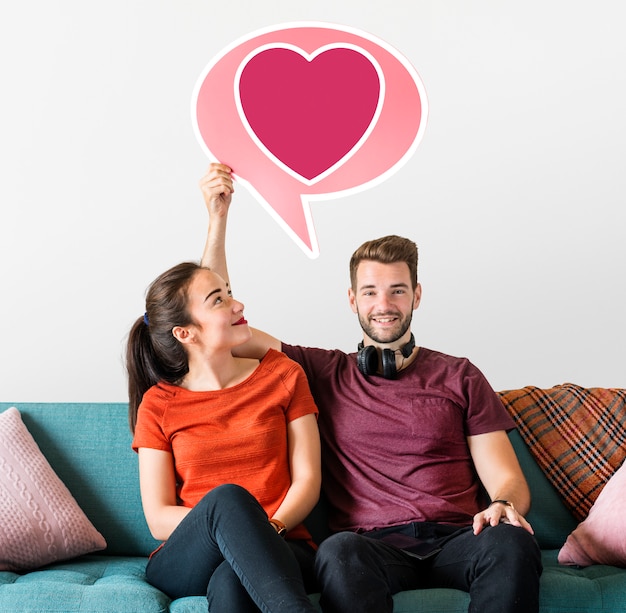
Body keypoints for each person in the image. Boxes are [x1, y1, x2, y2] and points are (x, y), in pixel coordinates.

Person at [200, 163, 543, 613]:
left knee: (513, 542)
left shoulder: (460, 375)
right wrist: (218, 219)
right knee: (338, 551)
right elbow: (218, 324)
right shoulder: (320, 371)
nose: (384, 305)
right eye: (370, 292)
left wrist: (503, 504)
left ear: (417, 296)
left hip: (461, 537)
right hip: (368, 547)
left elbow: (507, 478)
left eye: (398, 291)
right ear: (351, 299)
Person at [125, 173, 321, 613]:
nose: (238, 305)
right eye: (219, 300)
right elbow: (158, 519)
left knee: (234, 580)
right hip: (187, 555)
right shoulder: (159, 404)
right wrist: (233, 524)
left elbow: (307, 479)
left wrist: (262, 529)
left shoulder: (281, 374)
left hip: (285, 542)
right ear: (185, 333)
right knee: (228, 500)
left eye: (231, 293)